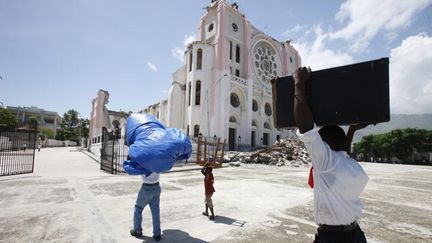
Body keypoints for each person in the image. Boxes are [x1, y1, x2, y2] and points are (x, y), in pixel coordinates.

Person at [293, 67, 369, 243]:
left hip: (333, 238)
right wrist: (351, 129)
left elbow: (305, 126)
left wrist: (299, 83)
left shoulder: (326, 162)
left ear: (326, 146)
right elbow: (344, 152)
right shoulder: (351, 165)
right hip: (356, 234)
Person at [130, 172, 162, 241]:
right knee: (155, 211)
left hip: (146, 188)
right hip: (157, 186)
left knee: (138, 208)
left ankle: (137, 231)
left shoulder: (143, 161)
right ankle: (157, 234)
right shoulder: (158, 161)